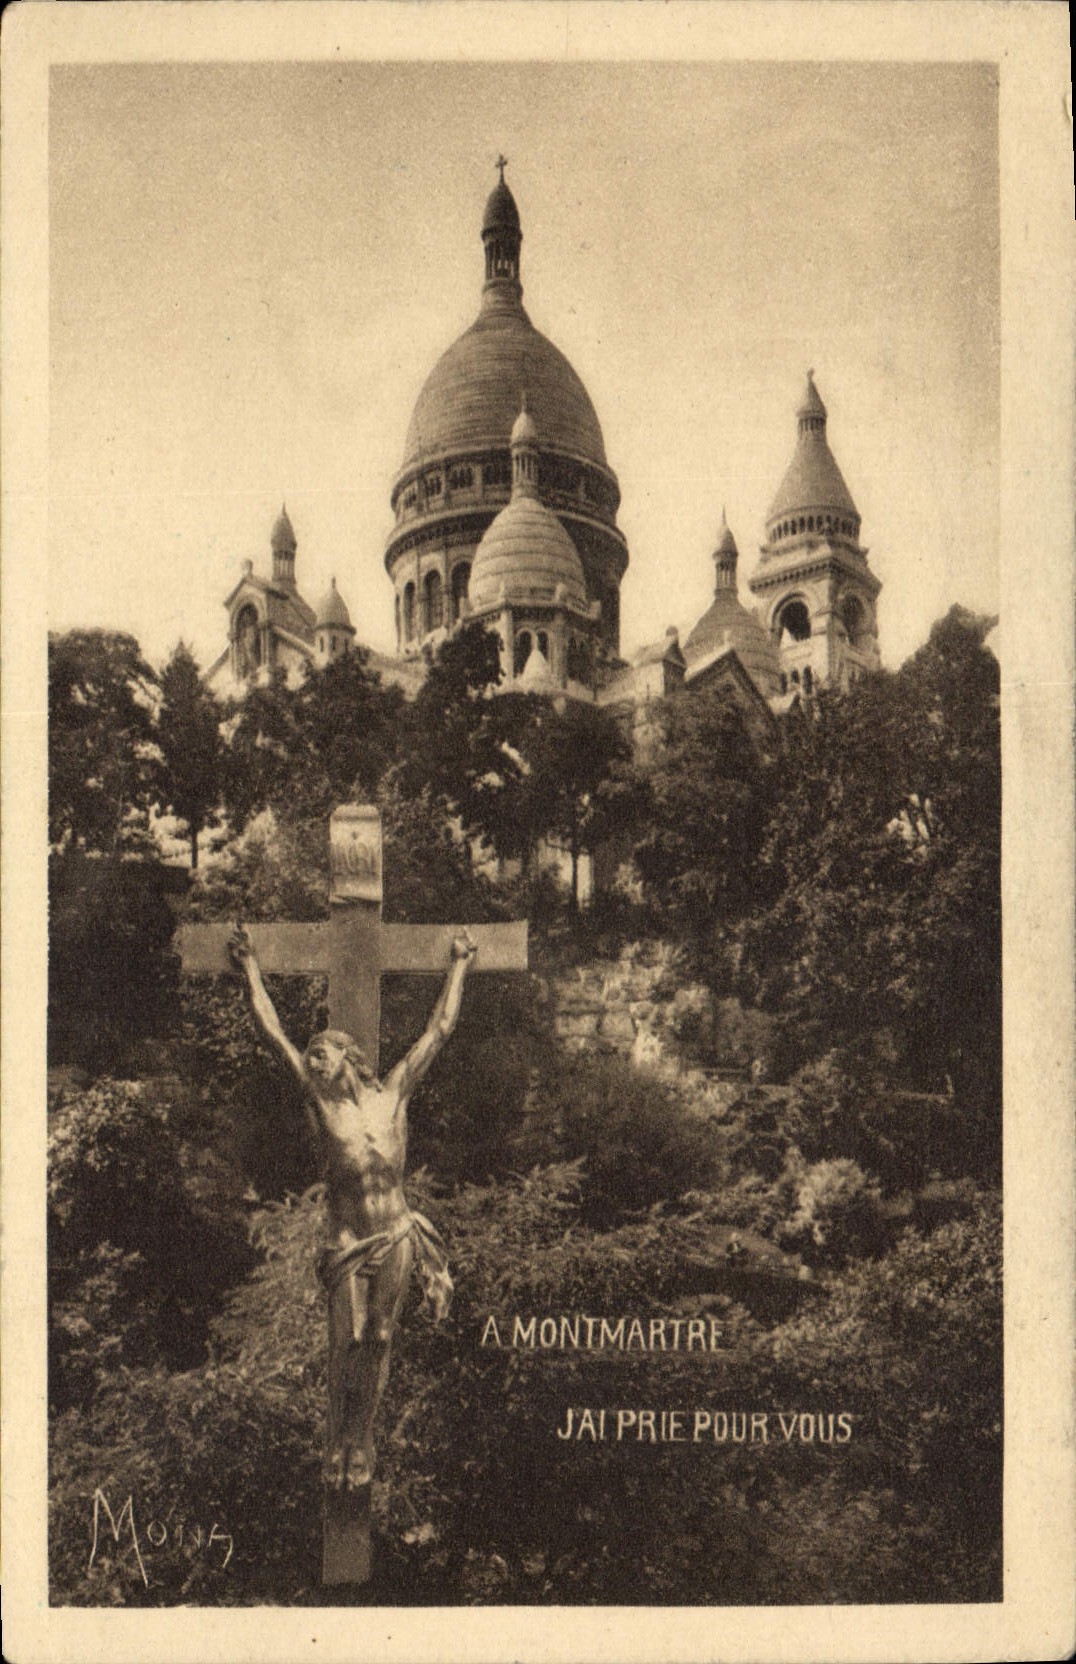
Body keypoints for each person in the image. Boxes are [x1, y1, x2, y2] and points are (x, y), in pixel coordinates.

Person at [228, 921, 478, 1491]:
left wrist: (459, 964)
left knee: (381, 1337)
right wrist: (250, 969)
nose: (313, 1059)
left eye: (323, 1052)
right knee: (347, 1340)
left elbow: (439, 1031)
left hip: (394, 1234)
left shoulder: (393, 1095)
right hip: (346, 1239)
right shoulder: (322, 1105)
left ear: (349, 1056)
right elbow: (273, 1036)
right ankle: (336, 1438)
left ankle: (361, 1440)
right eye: (312, 1054)